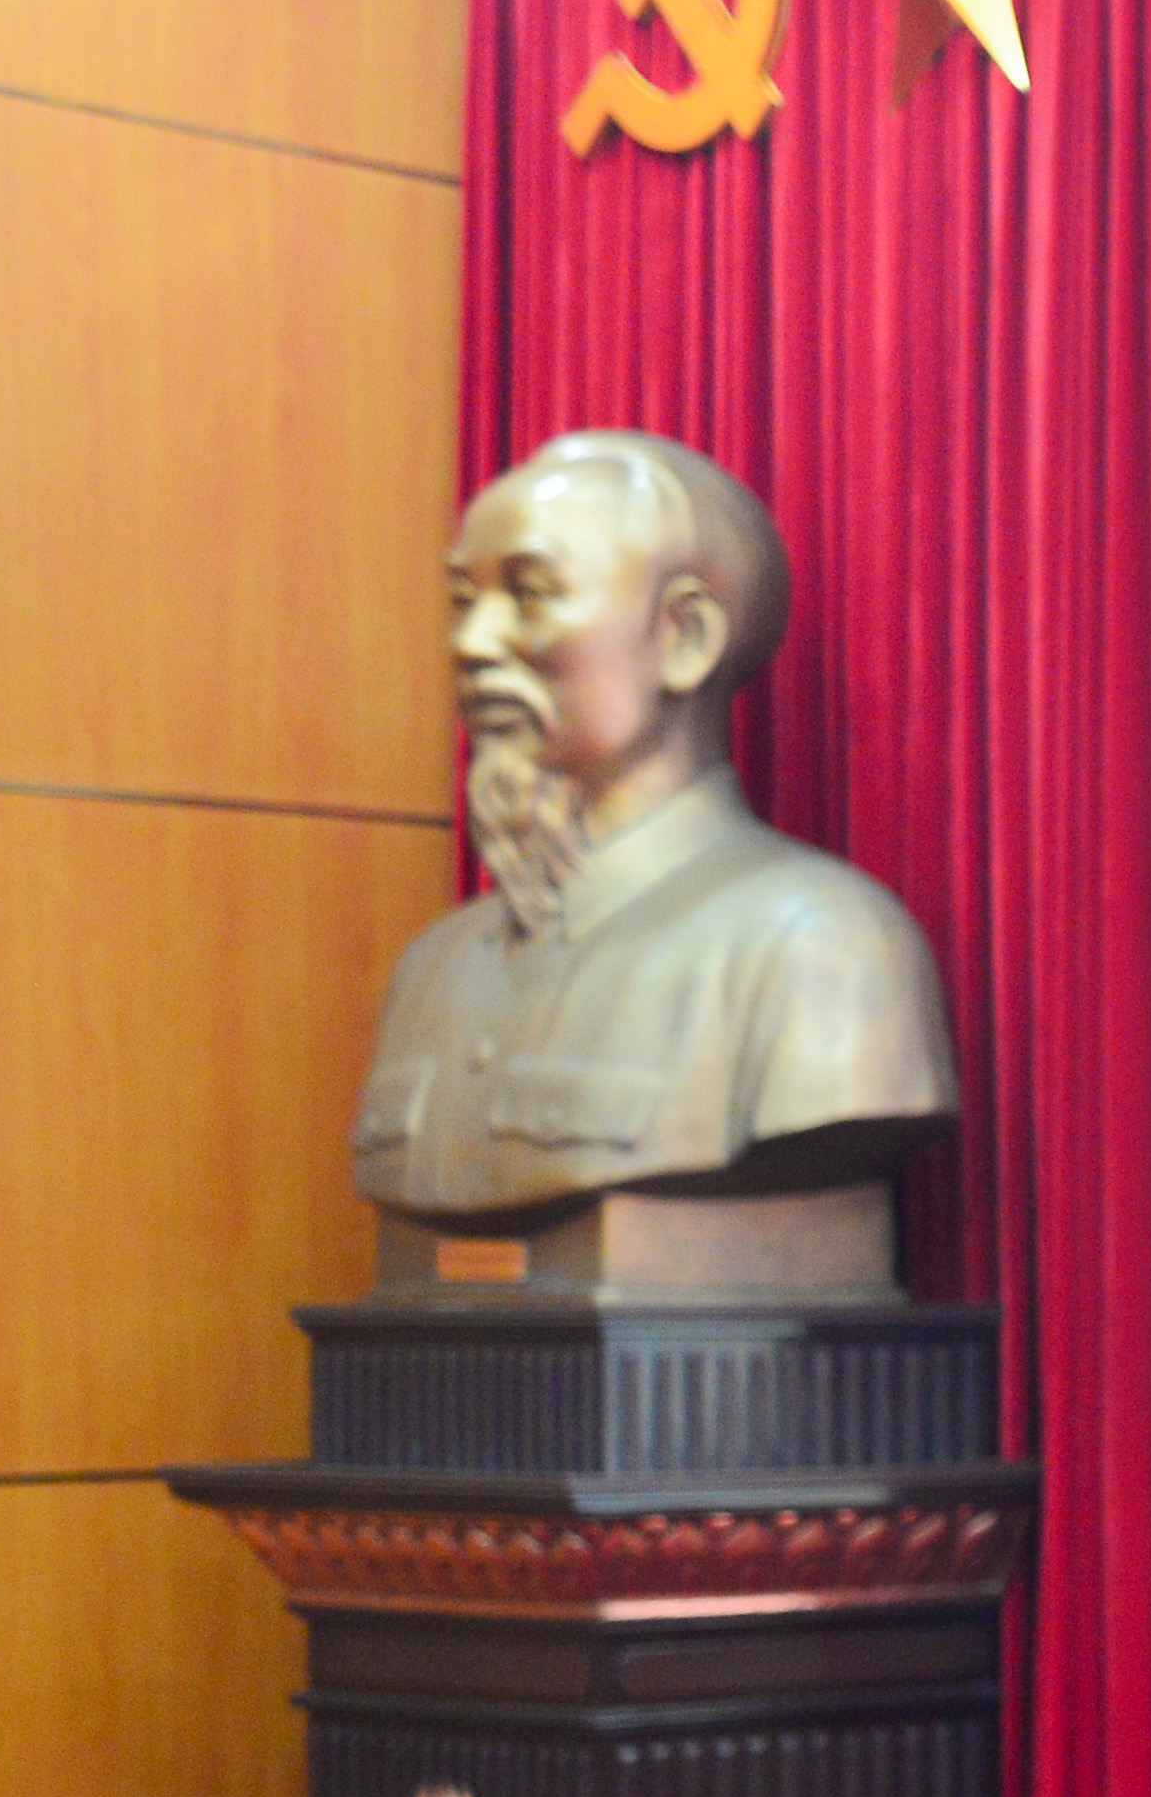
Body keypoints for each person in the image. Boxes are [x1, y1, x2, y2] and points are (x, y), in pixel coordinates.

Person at [354, 429, 956, 1230]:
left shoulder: (822, 949)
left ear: (683, 638)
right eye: (465, 602)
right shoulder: (433, 970)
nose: (471, 644)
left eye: (530, 594)